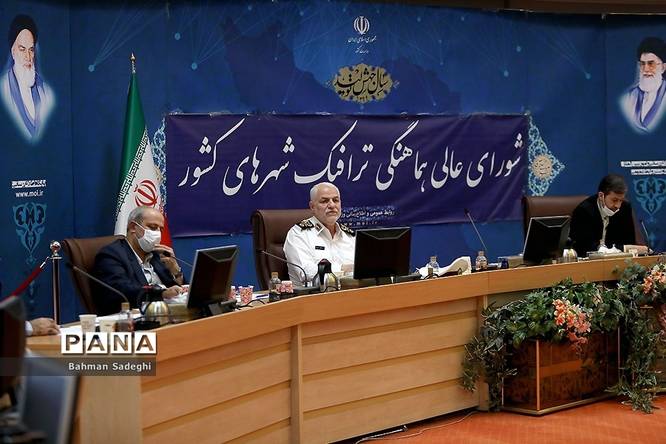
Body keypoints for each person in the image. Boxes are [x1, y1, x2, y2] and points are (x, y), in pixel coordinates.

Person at [93, 206, 186, 315]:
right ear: (133, 227)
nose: (158, 234)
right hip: (135, 317)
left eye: (160, 229)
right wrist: (161, 293)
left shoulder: (158, 256)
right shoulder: (111, 255)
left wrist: (176, 271)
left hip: (170, 314)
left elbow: (176, 290)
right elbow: (122, 290)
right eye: (152, 227)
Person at [283, 182, 355, 286]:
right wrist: (343, 269)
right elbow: (306, 273)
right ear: (312, 206)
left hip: (353, 292)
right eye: (324, 201)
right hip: (314, 294)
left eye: (335, 200)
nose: (332, 205)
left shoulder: (349, 236)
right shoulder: (298, 234)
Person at [1, 14, 54, 142]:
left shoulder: (45, 91)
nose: (28, 57)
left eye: (31, 50)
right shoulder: (3, 88)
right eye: (22, 49)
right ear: (13, 51)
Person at [569, 174, 637, 257]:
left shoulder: (625, 208)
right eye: (614, 200)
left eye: (621, 200)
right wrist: (622, 248)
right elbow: (584, 246)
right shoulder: (583, 211)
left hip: (617, 260)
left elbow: (629, 241)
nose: (618, 206)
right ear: (601, 196)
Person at [619, 37, 666, 133]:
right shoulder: (630, 97)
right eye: (642, 64)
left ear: (663, 67)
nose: (645, 69)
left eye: (651, 64)